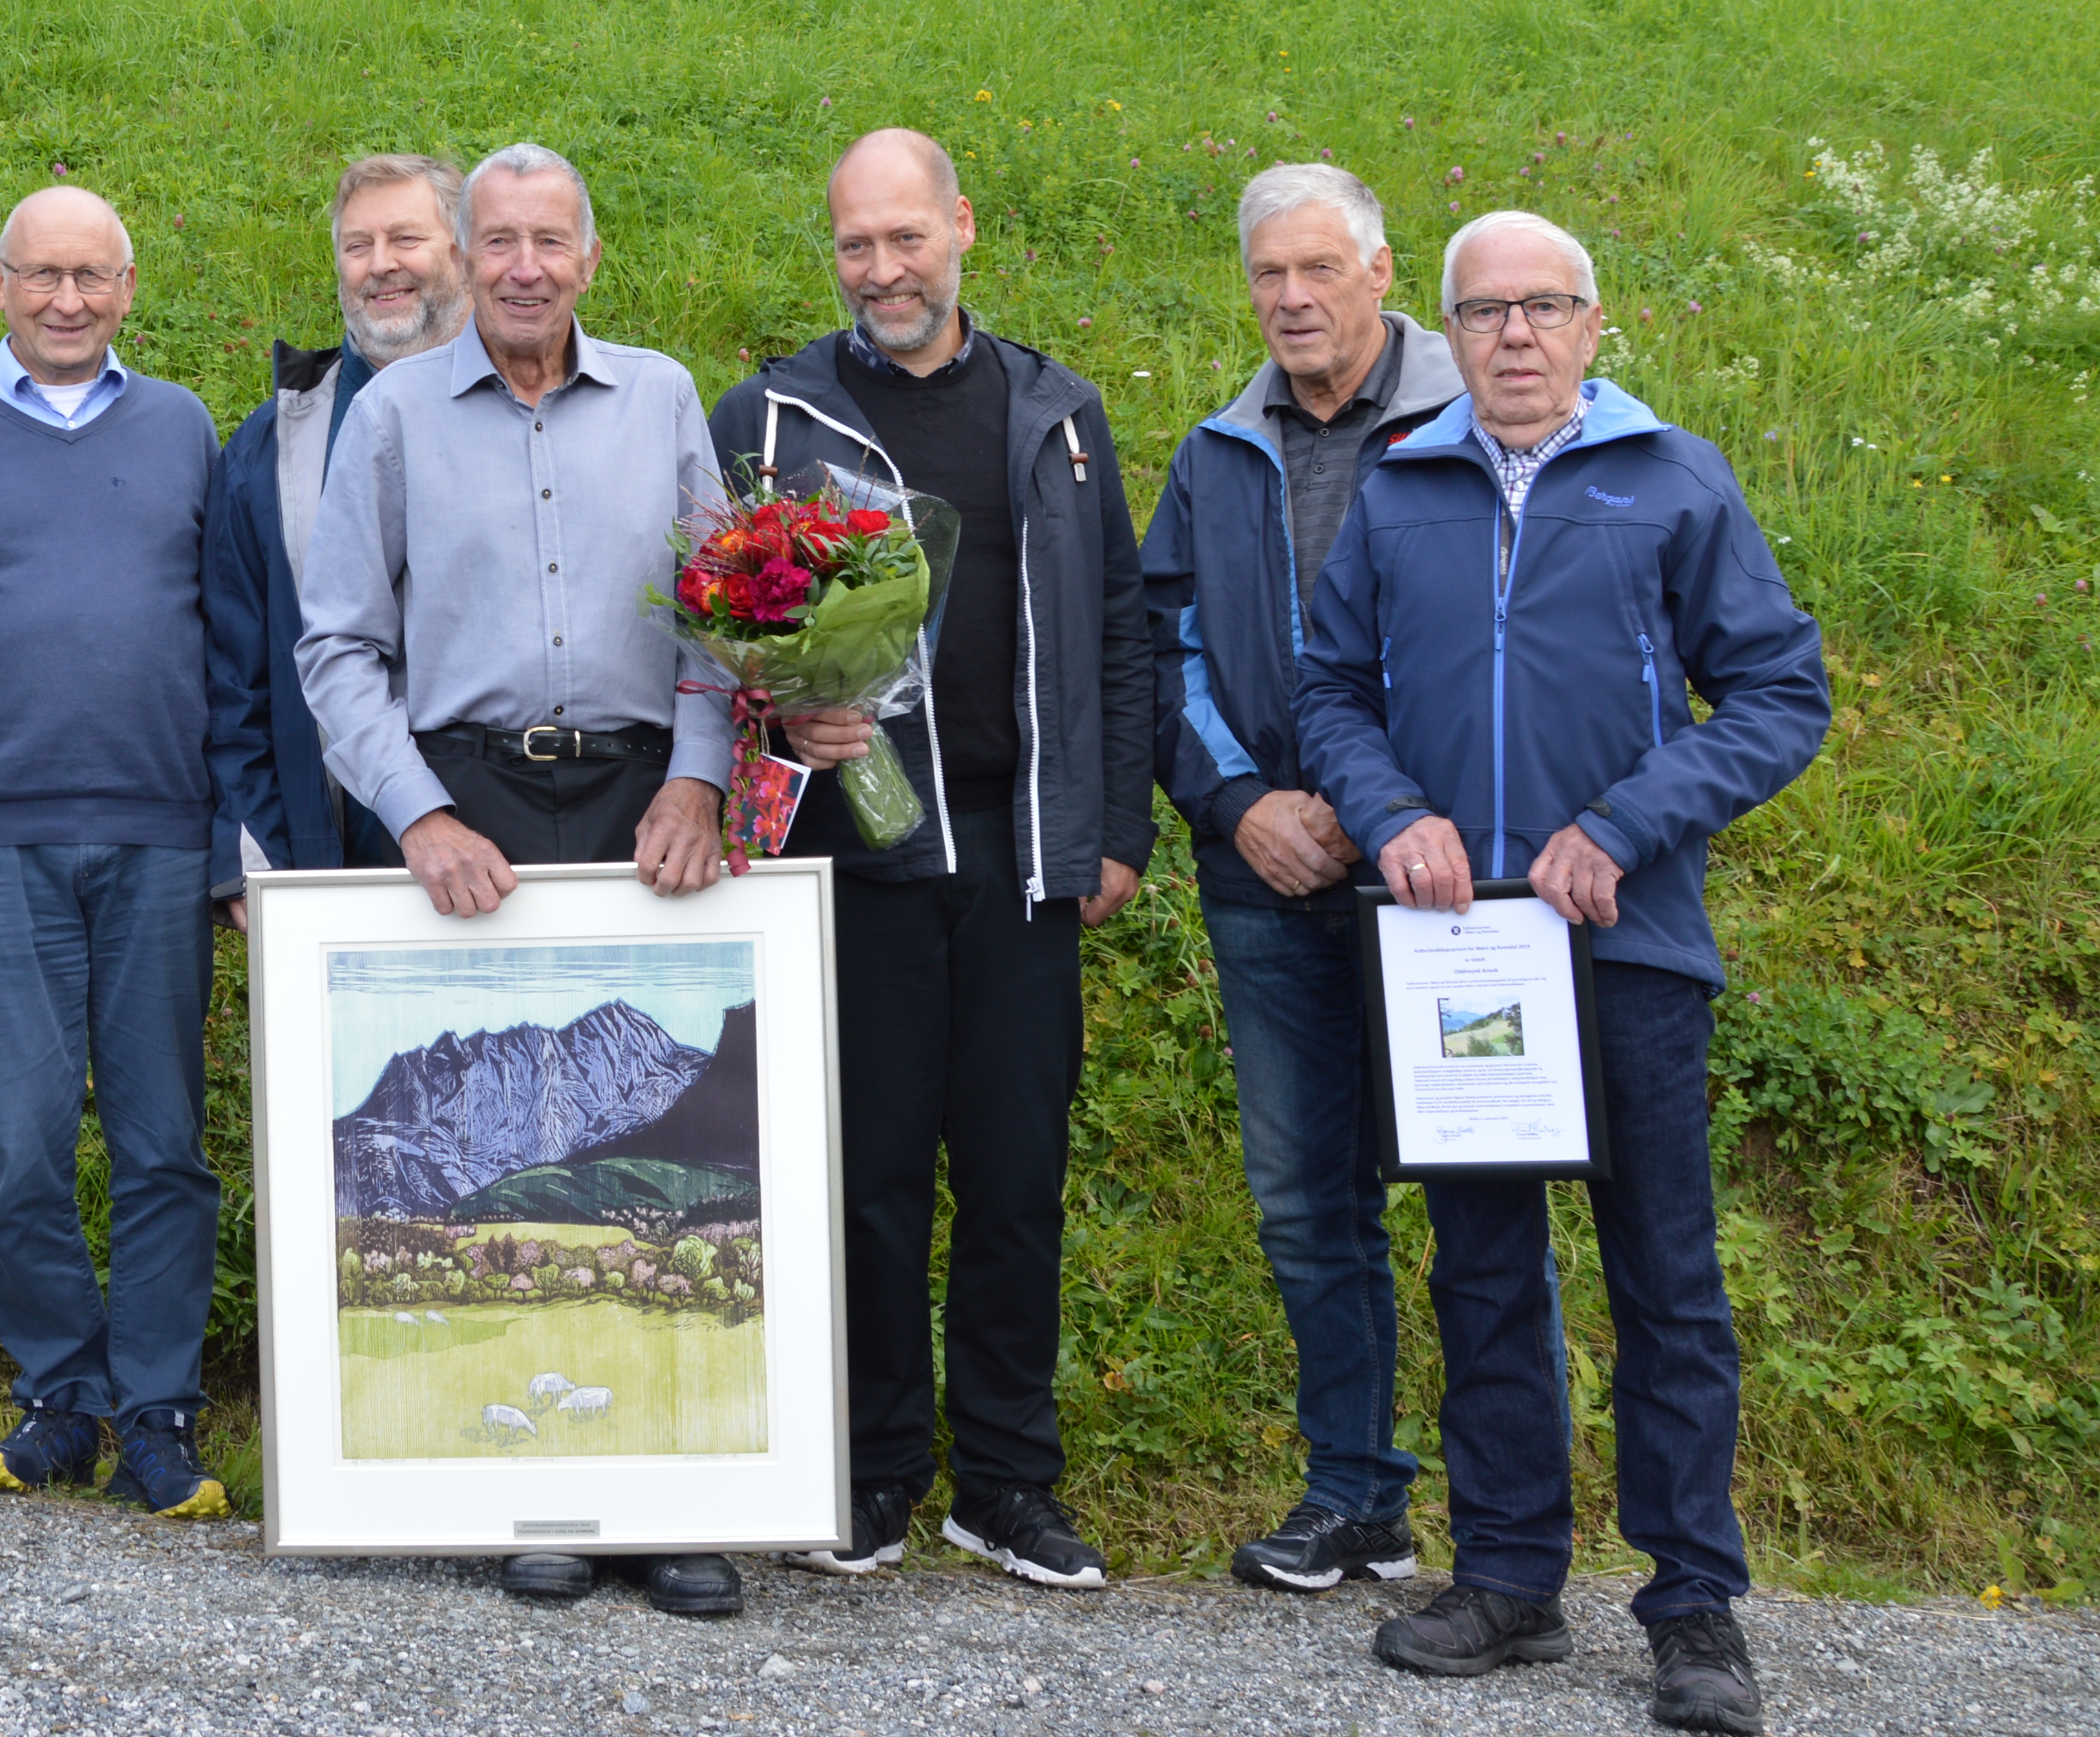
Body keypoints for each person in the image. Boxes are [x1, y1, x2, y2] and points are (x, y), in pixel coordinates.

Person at [1297, 209, 1828, 1737]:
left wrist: (1623, 823)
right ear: (1444, 334)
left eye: (1543, 307)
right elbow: (1331, 689)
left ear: (1595, 324)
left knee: (1666, 1280)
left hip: (1625, 943)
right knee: (1481, 1270)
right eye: (1482, 312)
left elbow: (1778, 694)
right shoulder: (1402, 491)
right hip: (1461, 954)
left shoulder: (1674, 479)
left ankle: (1691, 1610)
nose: (1512, 335)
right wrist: (1392, 815)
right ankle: (1511, 1577)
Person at [296, 140, 741, 1619]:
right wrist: (417, 814)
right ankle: (536, 1493)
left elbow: (719, 616)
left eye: (553, 239)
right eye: (500, 241)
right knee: (511, 1174)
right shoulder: (396, 418)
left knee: (653, 1182)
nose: (526, 265)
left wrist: (698, 771)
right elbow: (339, 646)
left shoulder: (666, 398)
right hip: (471, 802)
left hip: (640, 800)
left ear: (591, 255)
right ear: (466, 257)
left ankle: (671, 1495)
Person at [705, 128, 1154, 1592]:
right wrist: (779, 704)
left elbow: (1121, 632)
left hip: (1027, 867)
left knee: (1017, 1179)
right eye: (854, 245)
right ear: (828, 250)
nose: (882, 270)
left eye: (906, 238)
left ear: (962, 226)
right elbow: (710, 646)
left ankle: (1008, 1481)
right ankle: (879, 1466)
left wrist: (1119, 830)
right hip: (859, 862)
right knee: (873, 1179)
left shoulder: (1059, 415)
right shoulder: (770, 419)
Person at [0, 187, 237, 1521]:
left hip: (155, 827)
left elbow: (219, 620)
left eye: (91, 275)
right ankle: (57, 1396)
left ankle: (155, 1408)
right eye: (42, 274)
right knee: (16, 1140)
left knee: (161, 1142)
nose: (66, 299)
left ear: (128, 286)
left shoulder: (185, 425)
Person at [1138, 163, 1481, 1595]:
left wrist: (1394, 803)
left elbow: (1504, 651)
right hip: (1267, 876)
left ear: (1381, 270)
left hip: (1452, 883)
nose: (1289, 298)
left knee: (1481, 1184)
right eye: (1266, 275)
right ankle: (1354, 1495)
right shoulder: (1217, 451)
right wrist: (1237, 799)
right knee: (1301, 1201)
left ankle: (1510, 1530)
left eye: (1316, 269)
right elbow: (1161, 647)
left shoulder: (1475, 419)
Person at [206, 153, 473, 885]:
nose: (380, 265)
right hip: (336, 859)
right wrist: (251, 854)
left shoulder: (554, 411)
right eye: (358, 247)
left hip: (517, 841)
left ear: (464, 249)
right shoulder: (275, 445)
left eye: (406, 240)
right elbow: (234, 671)